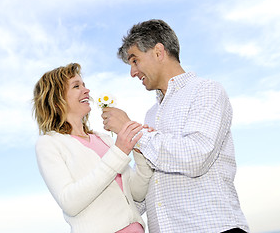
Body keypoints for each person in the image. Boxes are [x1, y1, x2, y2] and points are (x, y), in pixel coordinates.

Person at [101, 19, 249, 233]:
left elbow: (196, 156)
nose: (132, 72)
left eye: (135, 61)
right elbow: (147, 190)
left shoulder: (206, 91)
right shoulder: (150, 115)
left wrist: (133, 131)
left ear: (159, 52)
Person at [32, 63, 153, 233]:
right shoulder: (49, 143)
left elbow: (137, 193)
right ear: (57, 100)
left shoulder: (104, 139)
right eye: (76, 86)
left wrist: (139, 153)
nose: (86, 90)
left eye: (84, 85)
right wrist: (119, 152)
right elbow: (69, 203)